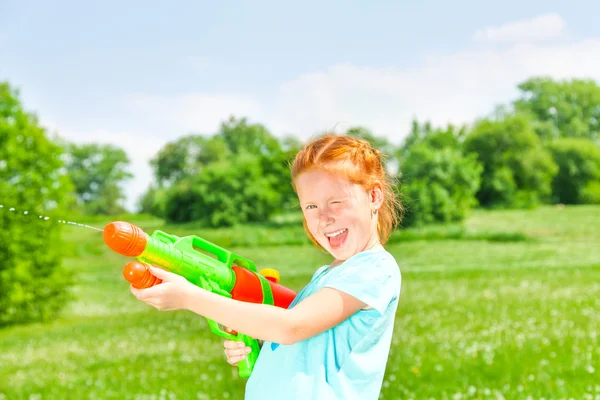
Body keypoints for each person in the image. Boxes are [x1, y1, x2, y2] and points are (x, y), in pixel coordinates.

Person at [130, 134, 403, 399]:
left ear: (374, 196)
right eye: (310, 206)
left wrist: (189, 297)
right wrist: (258, 345)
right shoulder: (327, 274)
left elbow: (291, 327)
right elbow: (298, 344)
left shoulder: (374, 269)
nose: (324, 217)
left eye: (336, 202)